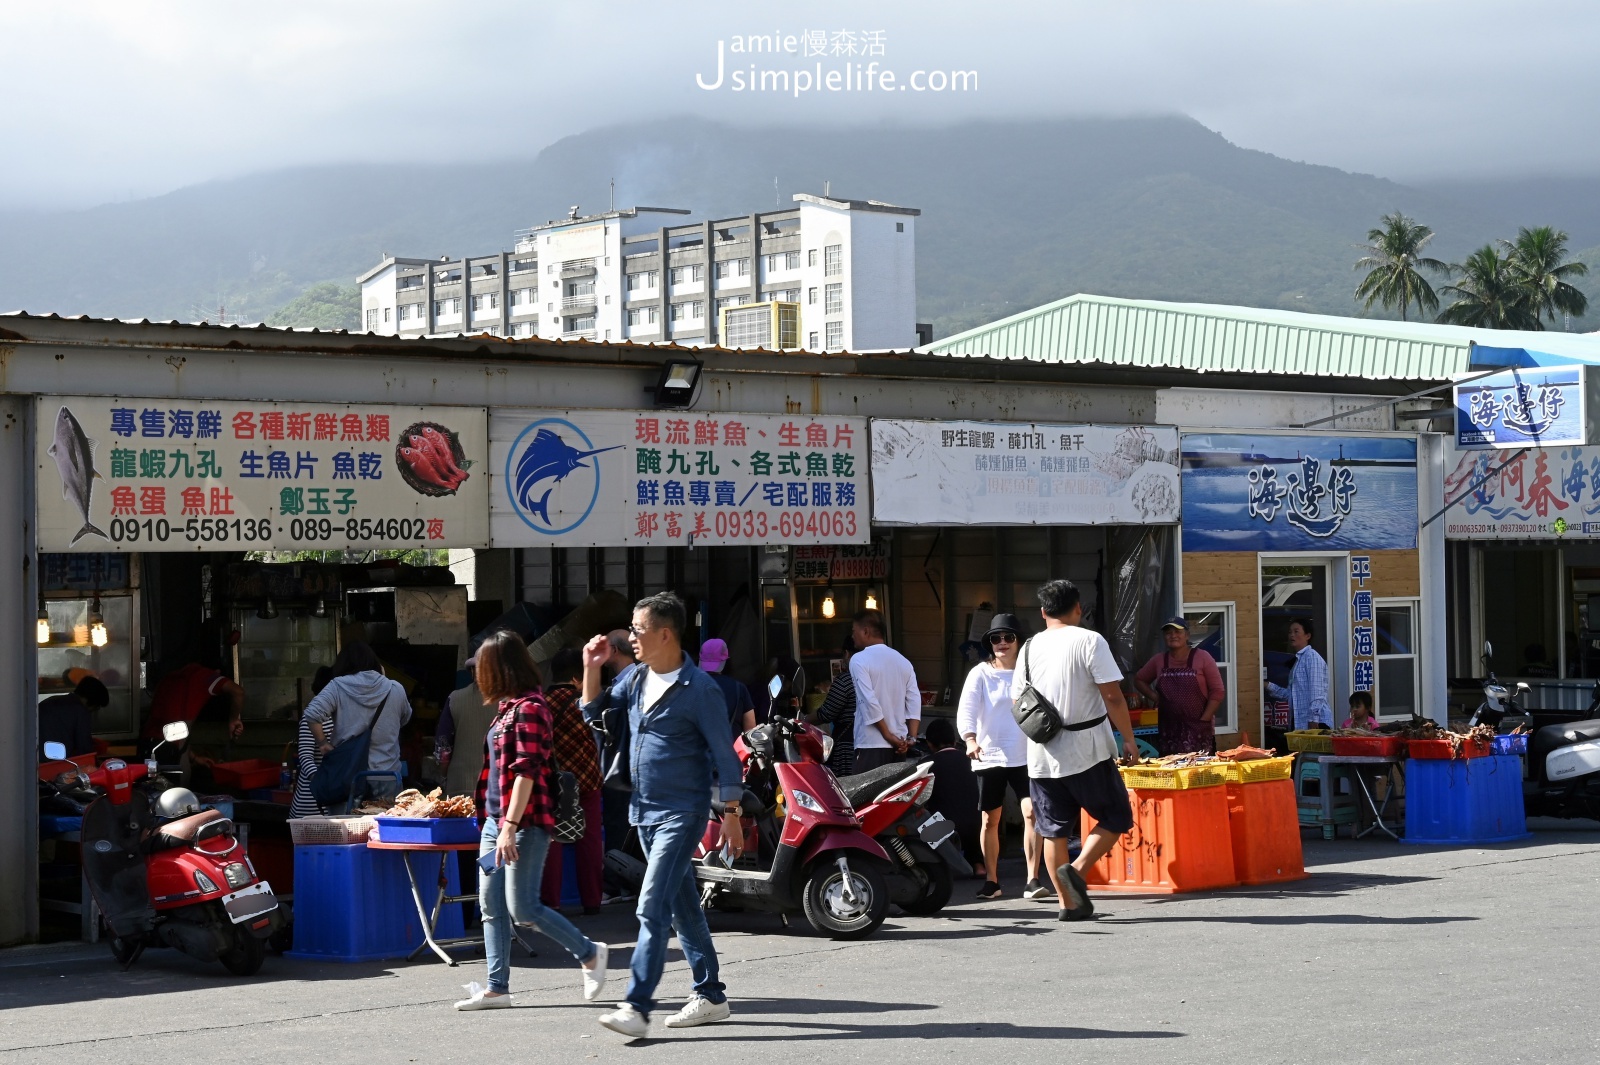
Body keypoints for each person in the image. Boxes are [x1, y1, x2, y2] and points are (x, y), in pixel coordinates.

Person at [581, 592, 744, 1039]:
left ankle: (636, 1004)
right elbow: (593, 711)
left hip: (682, 812)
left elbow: (726, 758)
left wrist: (730, 811)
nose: (630, 637)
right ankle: (710, 995)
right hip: (643, 811)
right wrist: (591, 667)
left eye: (637, 629)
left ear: (665, 634)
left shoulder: (702, 691)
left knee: (651, 906)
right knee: (682, 906)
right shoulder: (634, 677)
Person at [455, 630, 608, 1011]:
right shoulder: (508, 707)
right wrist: (496, 822)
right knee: (491, 907)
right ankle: (496, 988)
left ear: (500, 669)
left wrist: (509, 824)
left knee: (523, 909)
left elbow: (526, 771)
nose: (478, 677)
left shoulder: (530, 707)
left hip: (522, 824)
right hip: (495, 821)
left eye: (483, 669)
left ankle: (590, 953)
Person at [1014, 579, 1140, 923]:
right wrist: (1127, 738)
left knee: (1054, 830)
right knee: (1116, 816)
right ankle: (1079, 870)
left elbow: (1017, 701)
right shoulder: (1089, 639)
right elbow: (1113, 696)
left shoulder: (1027, 648)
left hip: (1041, 755)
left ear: (1043, 612)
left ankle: (1068, 905)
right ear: (1078, 608)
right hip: (1087, 750)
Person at [957, 613, 1046, 900]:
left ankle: (1033, 879)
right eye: (996, 638)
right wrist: (969, 739)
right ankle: (992, 881)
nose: (1002, 643)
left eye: (1009, 637)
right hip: (990, 754)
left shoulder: (1030, 671)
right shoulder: (980, 673)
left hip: (1027, 753)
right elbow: (967, 710)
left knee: (1031, 812)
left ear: (1019, 641)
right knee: (989, 819)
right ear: (990, 643)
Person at [300, 641, 412, 803]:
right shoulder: (395, 688)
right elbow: (405, 718)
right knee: (381, 827)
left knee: (348, 827)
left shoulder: (337, 686)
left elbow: (312, 714)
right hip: (387, 775)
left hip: (348, 776)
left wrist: (323, 743)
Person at [540, 647, 604, 916]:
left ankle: (551, 902)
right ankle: (592, 900)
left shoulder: (540, 704)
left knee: (551, 839)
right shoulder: (586, 704)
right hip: (587, 779)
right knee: (589, 839)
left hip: (553, 781)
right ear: (578, 678)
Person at [1134, 616, 1225, 755]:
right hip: (1168, 730)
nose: (1173, 636)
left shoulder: (1203, 657)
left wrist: (1204, 719)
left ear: (1187, 635)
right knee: (1171, 772)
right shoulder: (1159, 660)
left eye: (1178, 632)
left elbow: (1217, 692)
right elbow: (1139, 680)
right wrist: (1155, 697)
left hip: (1198, 728)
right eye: (1168, 633)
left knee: (1199, 773)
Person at [848, 609, 921, 774]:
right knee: (894, 798)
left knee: (865, 798)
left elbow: (869, 701)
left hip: (871, 744)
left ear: (865, 631)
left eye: (854, 631)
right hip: (899, 746)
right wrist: (911, 737)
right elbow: (914, 701)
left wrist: (888, 736)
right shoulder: (903, 661)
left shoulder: (858, 660)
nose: (852, 636)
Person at [922, 717, 982, 876]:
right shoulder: (972, 761)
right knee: (972, 815)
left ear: (929, 743)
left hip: (946, 830)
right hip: (977, 828)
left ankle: (940, 868)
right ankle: (978, 864)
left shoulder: (926, 766)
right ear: (955, 741)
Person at [436, 656, 497, 799]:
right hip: (496, 787)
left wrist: (444, 773)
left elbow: (443, 745)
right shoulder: (508, 700)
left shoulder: (455, 698)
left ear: (472, 672)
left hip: (459, 784)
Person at [144, 657, 244, 741]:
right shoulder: (209, 676)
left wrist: (195, 758)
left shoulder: (173, 677)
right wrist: (234, 720)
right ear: (217, 672)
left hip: (150, 738)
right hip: (170, 742)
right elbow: (238, 692)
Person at [1265, 617, 1332, 731]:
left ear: (1308, 636)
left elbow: (1317, 691)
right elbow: (1291, 695)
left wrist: (1313, 719)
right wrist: (1268, 685)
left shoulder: (1312, 657)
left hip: (1315, 723)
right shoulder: (1297, 661)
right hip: (1300, 723)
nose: (1292, 635)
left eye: (1296, 631)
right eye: (1290, 632)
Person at [814, 636, 858, 777]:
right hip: (871, 745)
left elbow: (827, 713)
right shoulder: (875, 677)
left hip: (847, 745)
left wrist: (804, 719)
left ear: (846, 653)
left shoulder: (845, 680)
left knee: (846, 790)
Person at [39, 674, 106, 759]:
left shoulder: (51, 701)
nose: (93, 711)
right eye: (96, 707)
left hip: (33, 760)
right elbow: (84, 750)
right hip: (54, 763)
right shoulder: (81, 711)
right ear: (91, 701)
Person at [699, 638, 756, 735]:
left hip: (696, 749)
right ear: (726, 662)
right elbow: (750, 730)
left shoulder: (688, 686)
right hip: (729, 748)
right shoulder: (739, 688)